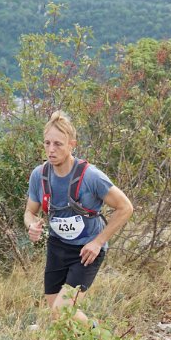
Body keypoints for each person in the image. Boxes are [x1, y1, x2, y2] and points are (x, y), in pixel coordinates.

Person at [24, 111, 133, 322]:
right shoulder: (39, 175)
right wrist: (31, 225)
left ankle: (98, 338)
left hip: (87, 250)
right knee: (58, 315)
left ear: (71, 145)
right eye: (47, 143)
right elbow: (30, 212)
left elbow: (125, 207)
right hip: (57, 247)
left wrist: (98, 242)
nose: (51, 149)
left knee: (62, 310)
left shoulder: (91, 177)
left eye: (58, 144)